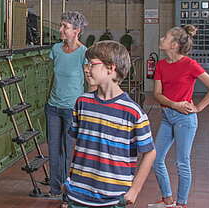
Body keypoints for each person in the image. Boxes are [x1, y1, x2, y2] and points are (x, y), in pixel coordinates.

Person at [64, 40, 156, 208]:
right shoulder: (82, 103)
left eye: (91, 64)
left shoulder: (133, 112)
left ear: (111, 68)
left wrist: (134, 191)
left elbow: (150, 153)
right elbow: (79, 145)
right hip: (78, 194)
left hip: (113, 198)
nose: (86, 68)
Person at [149, 25, 209, 208]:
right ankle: (167, 200)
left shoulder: (190, 64)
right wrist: (174, 104)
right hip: (168, 115)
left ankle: (181, 204)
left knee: (182, 162)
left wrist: (198, 108)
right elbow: (157, 94)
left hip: (185, 120)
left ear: (173, 45)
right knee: (156, 159)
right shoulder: (161, 65)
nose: (161, 40)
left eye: (165, 37)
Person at [45, 11, 89, 201]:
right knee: (54, 150)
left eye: (65, 26)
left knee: (69, 151)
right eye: (61, 25)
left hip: (72, 109)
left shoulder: (84, 53)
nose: (60, 29)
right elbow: (53, 78)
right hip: (53, 107)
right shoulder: (55, 49)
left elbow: (90, 83)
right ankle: (55, 188)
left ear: (77, 31)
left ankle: (69, 192)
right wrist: (47, 100)